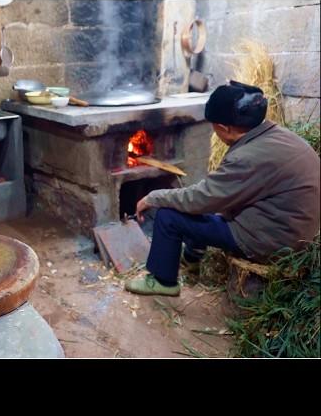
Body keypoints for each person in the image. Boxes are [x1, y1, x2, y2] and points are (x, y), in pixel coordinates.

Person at [125, 80, 320, 296]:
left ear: (224, 128)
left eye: (214, 127)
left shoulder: (246, 158)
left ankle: (163, 281)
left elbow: (199, 199)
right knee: (207, 205)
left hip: (272, 242)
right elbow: (211, 197)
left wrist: (153, 197)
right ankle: (192, 259)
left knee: (169, 215)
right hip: (295, 231)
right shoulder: (278, 136)